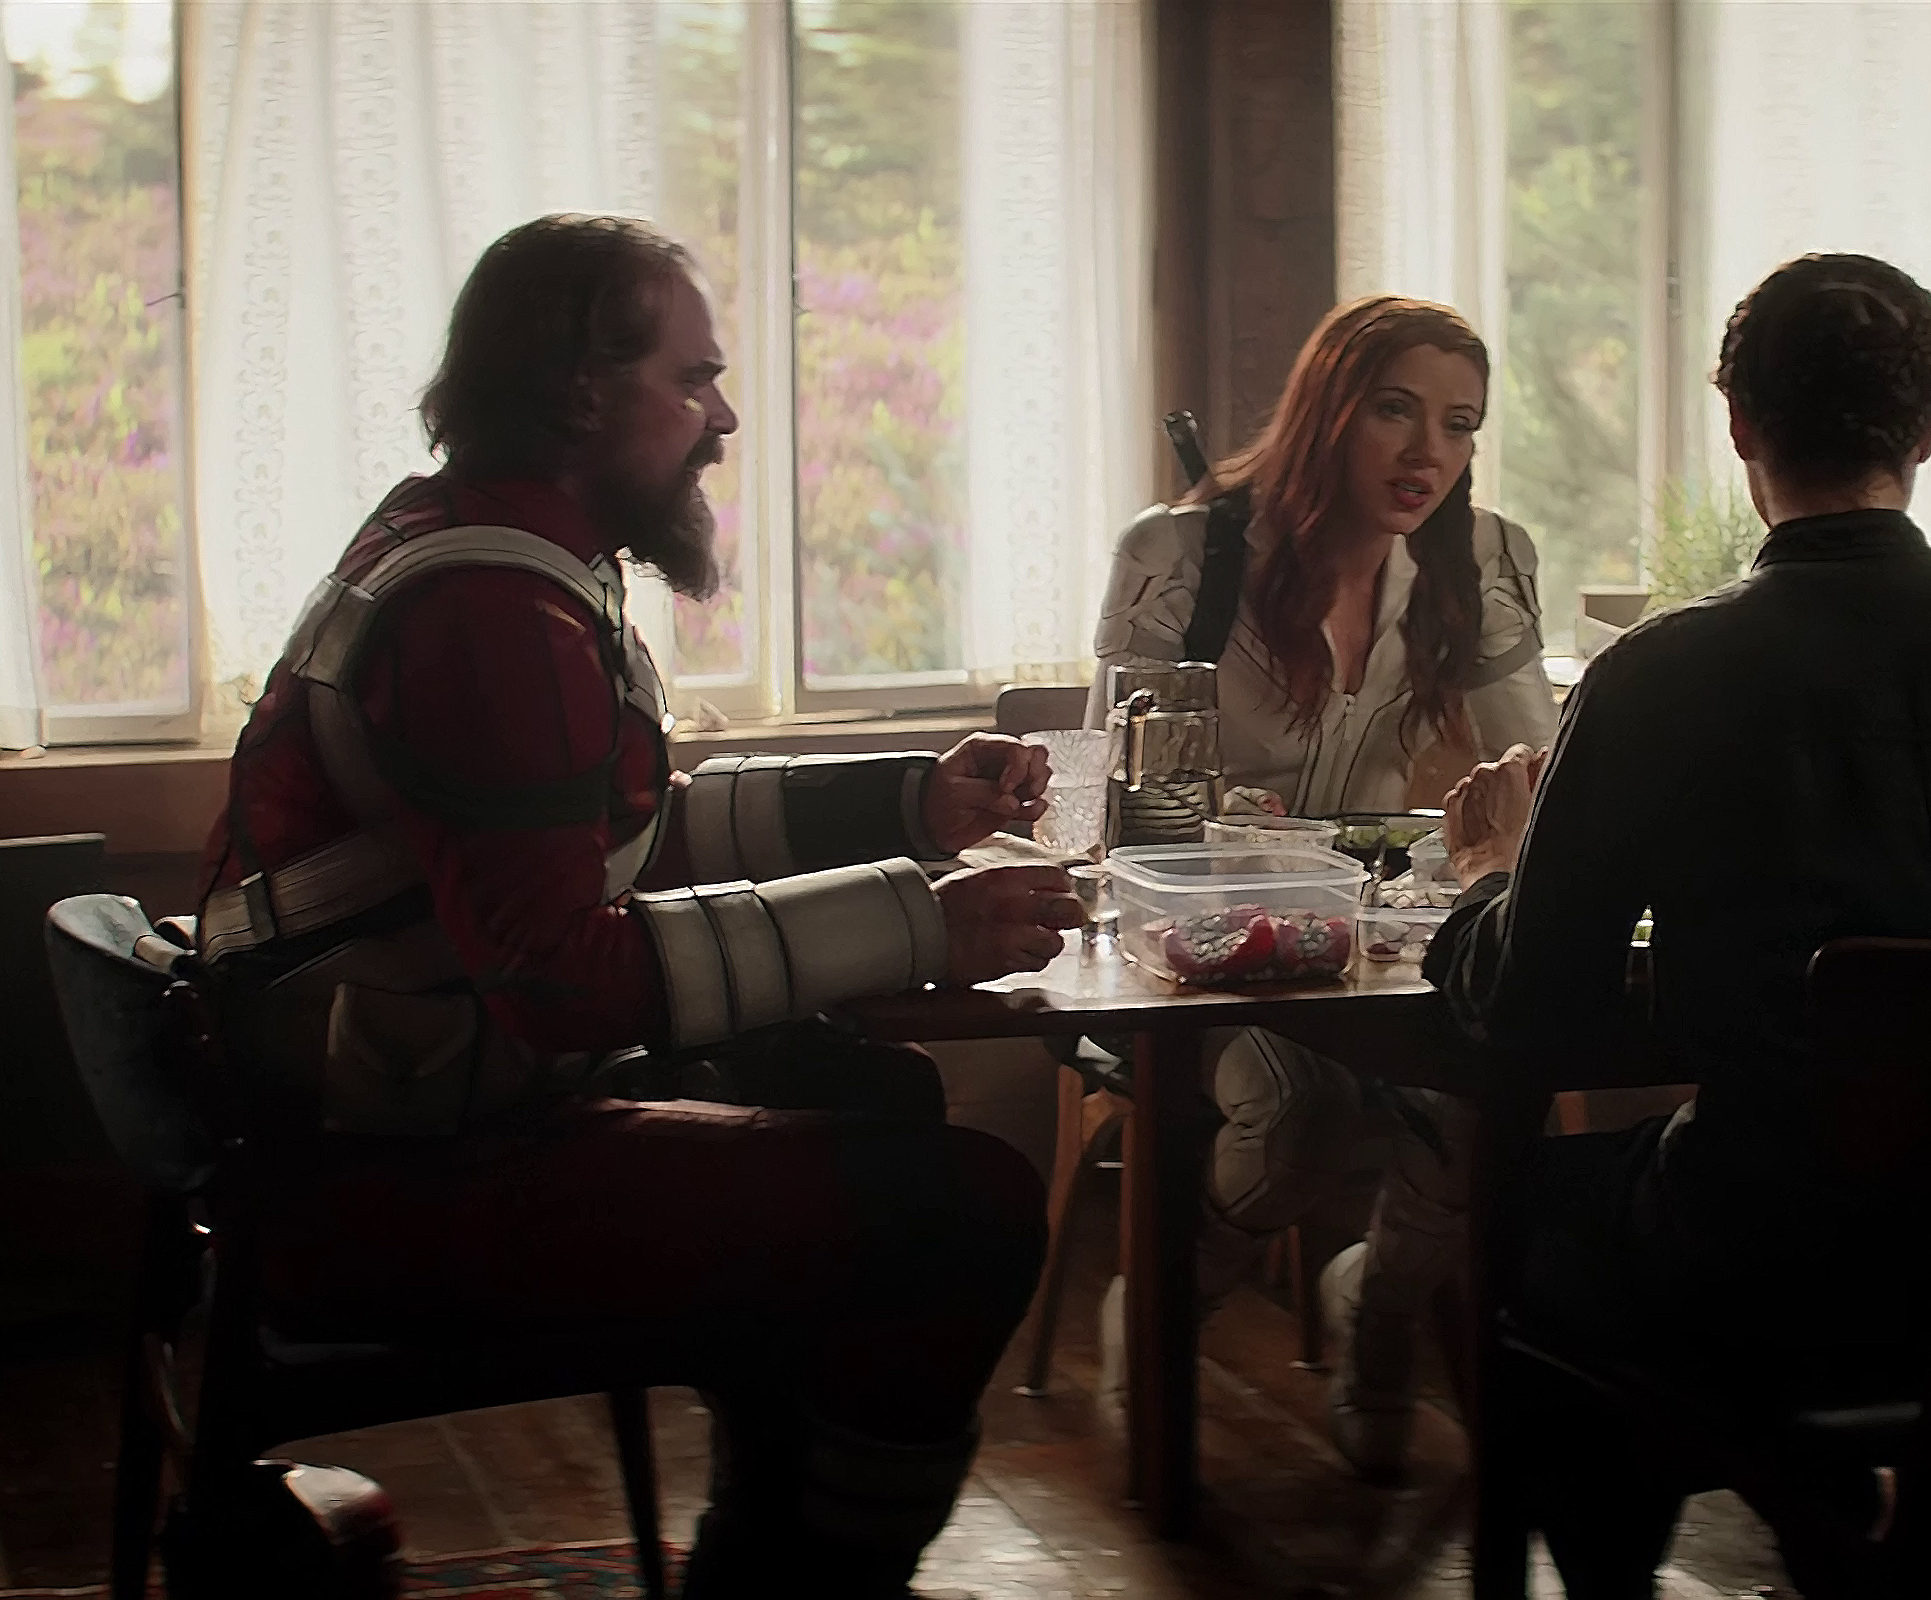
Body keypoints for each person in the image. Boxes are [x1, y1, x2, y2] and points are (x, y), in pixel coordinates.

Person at [192, 214, 1088, 1599]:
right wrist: (928, 922)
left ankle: (767, 1546)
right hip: (388, 1176)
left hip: (385, 1107)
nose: (721, 421)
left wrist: (912, 805)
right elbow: (561, 977)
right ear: (578, 390)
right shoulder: (493, 611)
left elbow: (612, 835)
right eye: (694, 380)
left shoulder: (482, 548)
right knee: (970, 1208)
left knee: (876, 1097)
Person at [1427, 253, 1931, 1596]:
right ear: (1928, 432)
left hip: (1778, 1275)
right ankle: (1842, 1533)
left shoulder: (1666, 673)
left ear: (1742, 425)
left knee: (1512, 1247)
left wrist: (1490, 871)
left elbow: (1534, 1009)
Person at [1086, 295, 1558, 1477]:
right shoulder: (1182, 557)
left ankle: (1379, 1317)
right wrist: (1238, 835)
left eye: (1459, 424)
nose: (1427, 453)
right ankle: (1163, 1301)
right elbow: (1115, 805)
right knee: (1300, 1120)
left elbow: (1537, 770)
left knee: (1486, 1100)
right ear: (1326, 413)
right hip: (1194, 939)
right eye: (1396, 410)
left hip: (1377, 935)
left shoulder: (1479, 559)